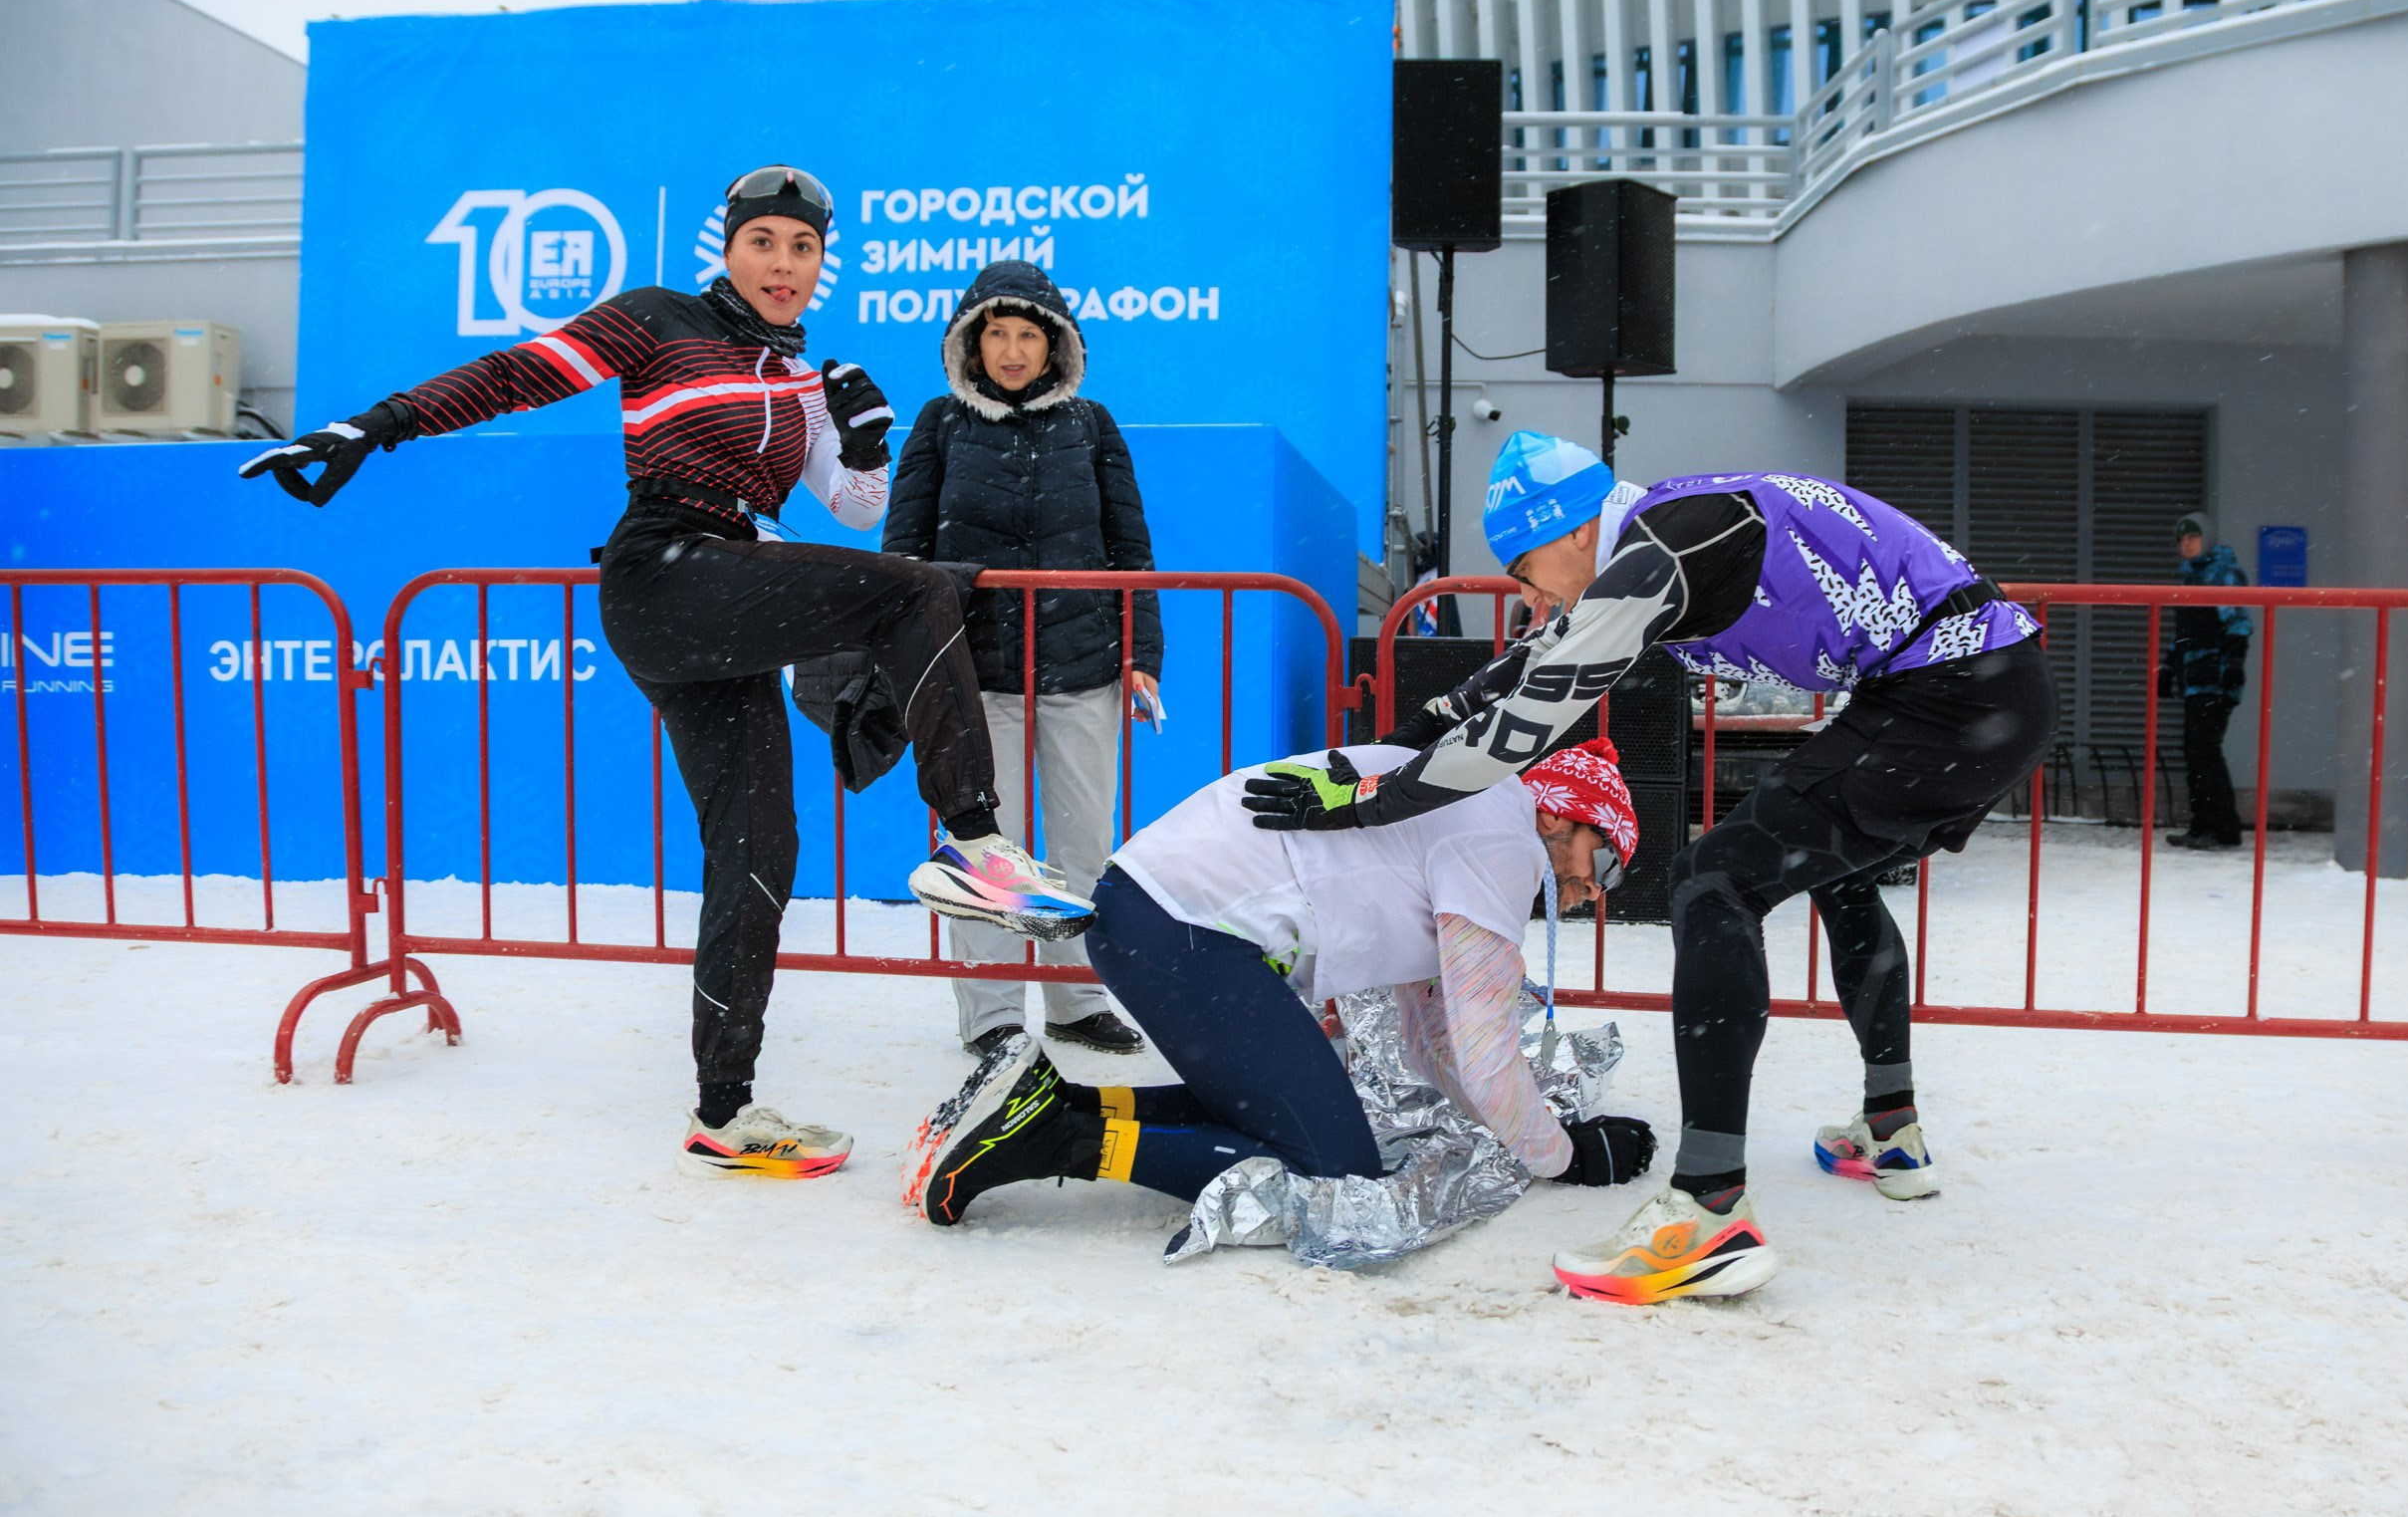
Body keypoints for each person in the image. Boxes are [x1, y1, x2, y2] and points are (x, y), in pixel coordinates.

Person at [238, 165, 1095, 1178]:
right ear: (729, 248)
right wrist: (379, 425)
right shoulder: (660, 320)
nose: (783, 265)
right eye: (764, 242)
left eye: (803, 249)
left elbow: (857, 508)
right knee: (916, 590)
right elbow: (519, 373)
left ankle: (722, 1108)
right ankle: (973, 842)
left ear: (822, 263)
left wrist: (866, 437)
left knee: (759, 849)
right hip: (665, 571)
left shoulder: (801, 378)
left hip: (726, 603)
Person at [1240, 431, 2057, 1304]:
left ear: (1574, 534)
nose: (1526, 595)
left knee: (1713, 879)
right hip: (1977, 690)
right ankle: (1891, 1127)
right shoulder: (1657, 541)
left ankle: (1707, 1210)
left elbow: (1529, 719)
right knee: (1835, 870)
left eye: (1524, 569)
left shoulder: (1666, 544)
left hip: (1954, 695)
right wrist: (1391, 748)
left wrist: (1371, 801)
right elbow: (1529, 666)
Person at [903, 739, 1659, 1228]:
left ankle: (1058, 1102)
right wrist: (1566, 1155)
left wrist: (1525, 1132)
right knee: (1335, 1166)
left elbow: (1440, 1040)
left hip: (1152, 919)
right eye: (1609, 863)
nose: (1597, 892)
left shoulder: (1467, 808)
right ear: (1569, 817)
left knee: (1283, 1097)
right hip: (1185, 932)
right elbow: (1485, 1052)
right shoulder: (1506, 834)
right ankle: (1060, 1138)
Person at [884, 260, 1160, 1060]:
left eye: (1027, 335)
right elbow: (903, 552)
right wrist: (905, 655)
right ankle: (993, 1015)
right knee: (984, 851)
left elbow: (1130, 548)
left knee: (1082, 846)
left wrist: (1142, 651)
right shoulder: (937, 425)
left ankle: (1079, 999)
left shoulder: (1093, 425)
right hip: (975, 674)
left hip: (1084, 668)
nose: (1011, 350)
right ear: (971, 345)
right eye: (996, 334)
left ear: (1056, 345)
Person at [2161, 511, 2252, 852]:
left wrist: (2234, 663)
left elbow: (2238, 623)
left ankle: (2223, 829)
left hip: (2215, 678)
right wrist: (2169, 668)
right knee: (2195, 751)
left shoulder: (2223, 574)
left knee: (2205, 751)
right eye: (2182, 538)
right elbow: (2184, 636)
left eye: (2193, 536)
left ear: (2207, 539)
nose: (2187, 543)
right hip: (2194, 679)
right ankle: (2202, 825)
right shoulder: (2191, 579)